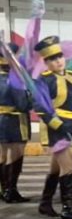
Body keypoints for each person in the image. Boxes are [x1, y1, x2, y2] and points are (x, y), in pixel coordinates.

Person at [33, 36, 72, 219]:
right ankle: (67, 207)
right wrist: (58, 125)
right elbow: (40, 108)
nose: (58, 61)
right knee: (68, 167)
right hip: (58, 128)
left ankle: (45, 203)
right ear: (46, 62)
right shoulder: (43, 81)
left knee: (56, 169)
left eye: (60, 57)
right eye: (52, 59)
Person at [0, 43, 32, 204]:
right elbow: (23, 104)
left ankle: (3, 189)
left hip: (1, 121)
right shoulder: (15, 79)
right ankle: (11, 190)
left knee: (2, 155)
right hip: (15, 121)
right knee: (16, 155)